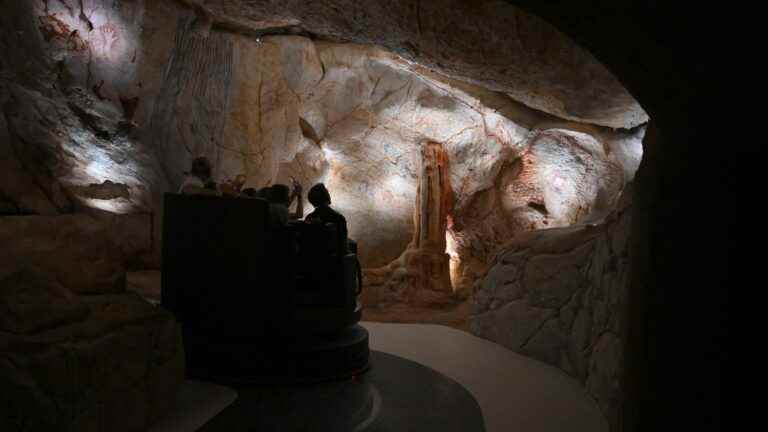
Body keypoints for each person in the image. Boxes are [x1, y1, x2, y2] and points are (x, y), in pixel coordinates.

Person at [305, 183, 348, 253]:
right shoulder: (338, 218)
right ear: (327, 197)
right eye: (327, 192)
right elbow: (343, 247)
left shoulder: (309, 218)